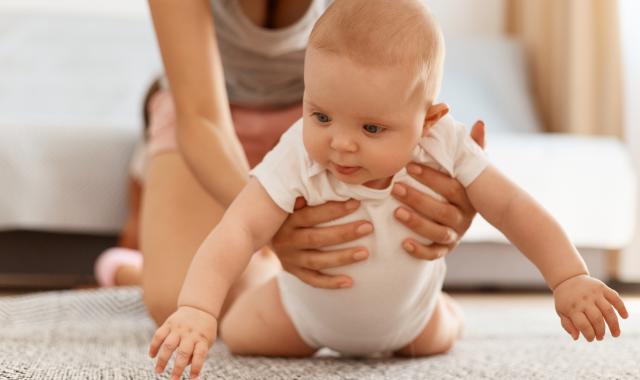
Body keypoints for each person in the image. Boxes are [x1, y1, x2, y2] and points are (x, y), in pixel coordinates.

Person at [148, 1, 628, 379]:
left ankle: (443, 312)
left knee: (441, 333)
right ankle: (247, 289)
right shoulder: (301, 149)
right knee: (237, 330)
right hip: (300, 315)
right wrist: (198, 310)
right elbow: (238, 228)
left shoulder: (442, 141)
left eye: (372, 129)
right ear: (307, 105)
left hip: (411, 322)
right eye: (321, 120)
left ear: (429, 121)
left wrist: (568, 277)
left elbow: (511, 205)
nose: (340, 144)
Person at [94, 0, 486, 325]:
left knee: (354, 270)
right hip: (207, 115)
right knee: (176, 301)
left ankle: (252, 277)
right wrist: (265, 224)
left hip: (324, 116)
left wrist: (456, 192)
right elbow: (201, 117)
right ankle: (136, 269)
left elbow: (402, 85)